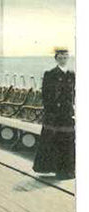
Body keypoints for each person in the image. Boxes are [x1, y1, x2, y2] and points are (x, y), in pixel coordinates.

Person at [33, 48, 75, 179]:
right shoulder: (49, 74)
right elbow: (45, 94)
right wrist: (50, 110)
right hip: (54, 114)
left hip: (67, 113)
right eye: (60, 58)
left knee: (67, 142)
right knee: (52, 141)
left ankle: (67, 171)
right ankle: (52, 168)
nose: (63, 60)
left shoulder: (71, 74)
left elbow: (74, 93)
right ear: (56, 59)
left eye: (65, 58)